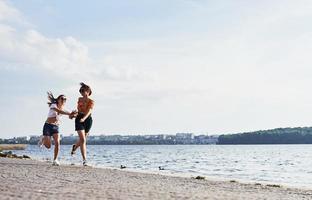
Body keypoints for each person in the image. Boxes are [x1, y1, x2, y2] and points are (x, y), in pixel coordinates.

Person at [40, 92, 75, 166]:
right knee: (48, 146)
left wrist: (74, 114)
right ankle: (43, 138)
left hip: (56, 127)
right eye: (62, 98)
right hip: (47, 126)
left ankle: (55, 160)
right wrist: (70, 114)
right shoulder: (53, 105)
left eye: (65, 99)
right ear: (58, 99)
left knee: (57, 142)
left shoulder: (64, 109)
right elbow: (59, 111)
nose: (63, 100)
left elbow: (70, 116)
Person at [70, 82, 94, 166]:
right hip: (79, 119)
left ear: (88, 91)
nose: (83, 93)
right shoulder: (79, 99)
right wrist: (73, 115)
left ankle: (74, 148)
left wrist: (84, 118)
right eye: (81, 92)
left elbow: (89, 111)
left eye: (84, 91)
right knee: (83, 140)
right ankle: (85, 160)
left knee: (82, 140)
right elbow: (79, 111)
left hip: (88, 120)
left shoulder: (91, 101)